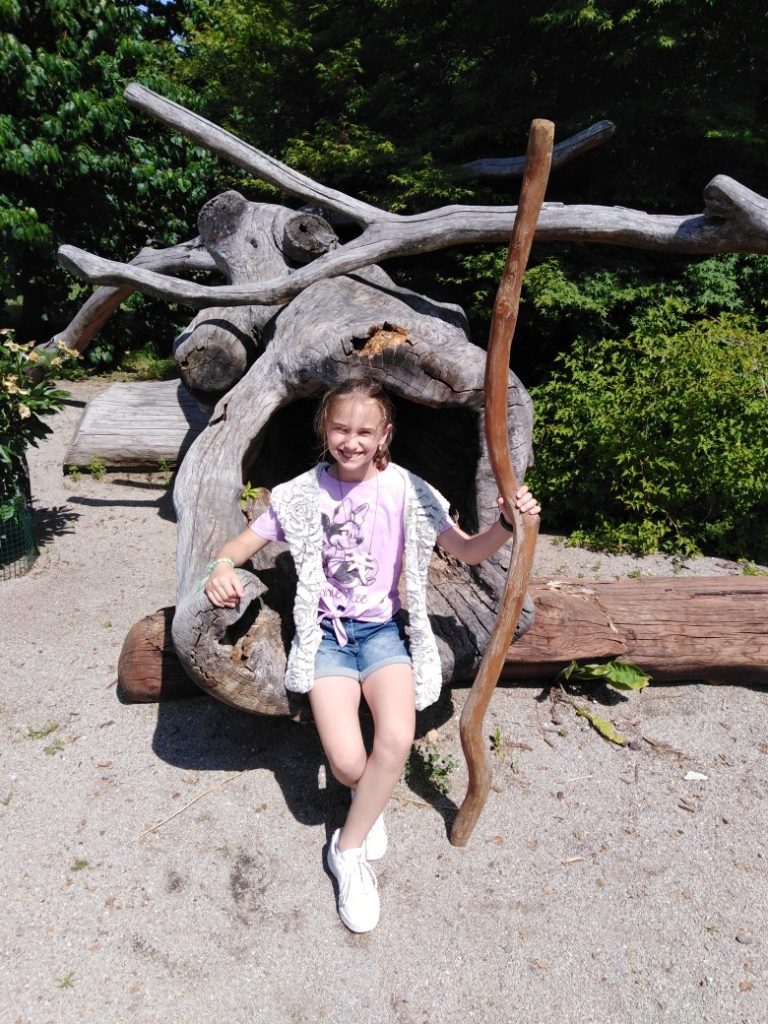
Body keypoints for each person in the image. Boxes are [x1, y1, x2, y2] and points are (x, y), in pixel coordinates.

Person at [203, 375, 540, 933]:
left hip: (382, 633)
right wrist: (221, 566)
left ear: (385, 434)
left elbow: (467, 550)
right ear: (324, 428)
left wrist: (508, 523)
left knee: (396, 738)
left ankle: (348, 851)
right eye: (341, 428)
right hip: (328, 637)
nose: (352, 441)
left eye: (365, 431)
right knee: (347, 764)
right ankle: (368, 797)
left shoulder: (408, 490)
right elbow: (244, 543)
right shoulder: (301, 494)